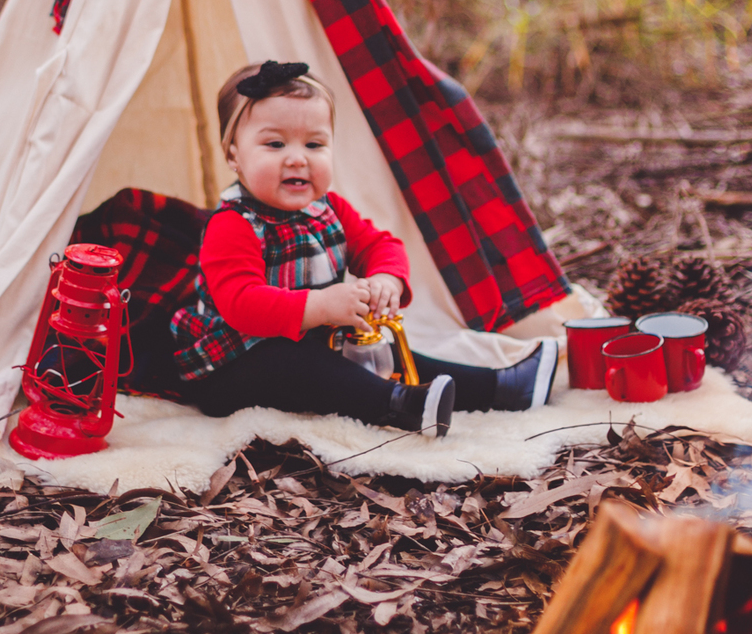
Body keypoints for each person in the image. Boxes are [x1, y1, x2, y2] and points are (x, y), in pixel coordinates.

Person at [170, 60, 559, 440]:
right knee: (298, 363)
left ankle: (501, 387)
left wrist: (385, 277)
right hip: (233, 365)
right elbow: (242, 304)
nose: (297, 157)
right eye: (274, 143)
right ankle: (399, 405)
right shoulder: (232, 225)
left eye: (314, 143)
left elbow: (379, 245)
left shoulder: (329, 210)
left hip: (316, 346)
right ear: (233, 155)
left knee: (388, 352)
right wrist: (321, 306)